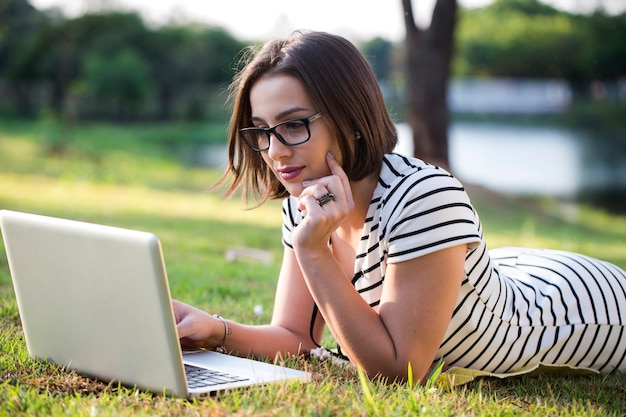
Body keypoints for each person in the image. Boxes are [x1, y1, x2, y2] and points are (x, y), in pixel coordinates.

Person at [173, 30, 626, 383]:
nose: (274, 151)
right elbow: (295, 337)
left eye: (292, 125)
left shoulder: (424, 197)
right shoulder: (307, 200)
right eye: (261, 131)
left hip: (585, 310)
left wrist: (313, 252)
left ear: (348, 116)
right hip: (513, 275)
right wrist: (215, 330)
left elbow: (396, 371)